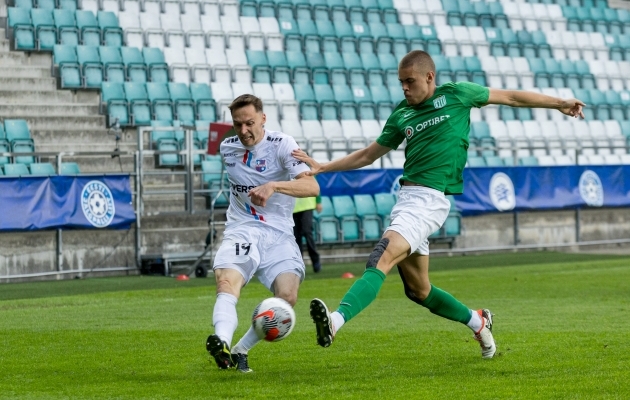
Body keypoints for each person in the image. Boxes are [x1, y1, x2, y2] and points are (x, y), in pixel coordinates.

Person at [292, 50, 585, 359]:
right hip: (408, 200)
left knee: (381, 256)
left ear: (429, 77)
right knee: (419, 291)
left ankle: (335, 322)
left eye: (410, 81)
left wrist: (560, 102)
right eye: (401, 82)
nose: (405, 88)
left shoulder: (458, 94)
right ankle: (479, 321)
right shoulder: (401, 114)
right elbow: (368, 154)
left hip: (430, 200)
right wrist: (324, 167)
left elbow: (510, 97)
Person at [206, 94, 319, 373]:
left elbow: (312, 188)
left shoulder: (283, 145)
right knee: (227, 284)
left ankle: (240, 349)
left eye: (249, 123)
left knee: (288, 297)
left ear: (263, 119)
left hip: (279, 234)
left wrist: (274, 186)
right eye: (237, 124)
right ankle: (220, 342)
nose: (243, 131)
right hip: (242, 229)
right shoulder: (227, 147)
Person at [293, 194, 323, 273]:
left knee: (307, 232)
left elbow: (314, 184)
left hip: (307, 205)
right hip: (292, 207)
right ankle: (299, 263)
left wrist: (318, 201)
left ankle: (315, 260)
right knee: (296, 236)